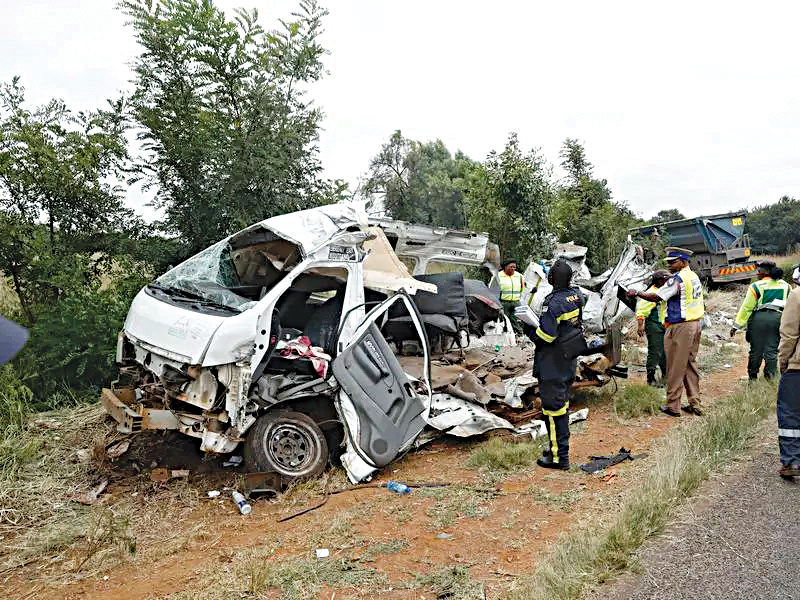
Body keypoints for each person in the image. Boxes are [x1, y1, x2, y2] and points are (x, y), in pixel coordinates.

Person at [628, 246, 704, 417]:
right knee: (690, 365)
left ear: (684, 262)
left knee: (675, 366)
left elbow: (656, 297)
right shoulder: (693, 277)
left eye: (673, 261)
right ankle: (695, 402)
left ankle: (673, 406)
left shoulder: (677, 279)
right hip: (695, 324)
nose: (669, 265)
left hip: (680, 326)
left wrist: (637, 293)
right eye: (668, 262)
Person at [528, 258, 584, 470]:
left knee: (553, 410)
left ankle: (559, 457)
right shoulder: (577, 296)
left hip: (552, 362)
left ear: (551, 279)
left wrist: (530, 329)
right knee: (562, 406)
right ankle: (557, 449)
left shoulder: (552, 303)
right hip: (568, 359)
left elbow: (547, 336)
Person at [729, 261, 791, 380]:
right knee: (772, 350)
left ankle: (752, 377)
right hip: (778, 319)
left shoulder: (756, 286)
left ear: (764, 272)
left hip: (758, 320)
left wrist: (736, 326)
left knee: (756, 350)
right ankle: (771, 377)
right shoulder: (785, 285)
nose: (757, 274)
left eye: (758, 271)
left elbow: (747, 308)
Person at [777, 264, 800, 479]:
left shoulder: (797, 294)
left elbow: (789, 333)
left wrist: (783, 362)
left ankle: (792, 461)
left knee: (791, 413)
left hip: (798, 367)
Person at [635, 270, 669, 386]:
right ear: (659, 281)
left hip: (663, 325)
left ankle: (665, 376)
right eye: (665, 280)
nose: (667, 282)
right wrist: (640, 326)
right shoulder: (652, 292)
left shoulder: (663, 290)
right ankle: (651, 378)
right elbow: (641, 311)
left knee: (664, 352)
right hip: (654, 326)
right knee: (655, 352)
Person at [490, 258, 525, 333]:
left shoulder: (520, 276)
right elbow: (493, 291)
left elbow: (522, 289)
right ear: (505, 267)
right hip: (503, 303)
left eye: (514, 267)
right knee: (504, 321)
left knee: (517, 321)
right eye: (511, 267)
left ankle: (518, 335)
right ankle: (504, 336)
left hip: (516, 303)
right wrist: (497, 305)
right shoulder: (498, 276)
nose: (513, 269)